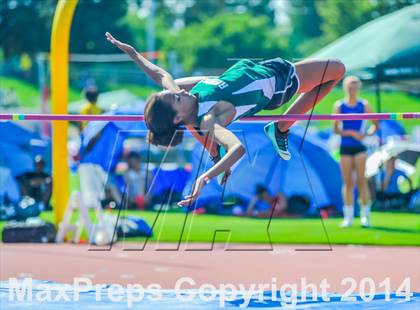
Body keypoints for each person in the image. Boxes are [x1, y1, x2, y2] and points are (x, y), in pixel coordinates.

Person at [105, 32, 345, 206]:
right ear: (177, 116)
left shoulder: (185, 97)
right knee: (336, 69)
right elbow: (237, 148)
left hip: (262, 68)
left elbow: (160, 74)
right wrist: (206, 175)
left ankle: (231, 147)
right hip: (277, 85)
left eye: (177, 93)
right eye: (177, 99)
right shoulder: (209, 118)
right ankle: (281, 127)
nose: (181, 92)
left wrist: (133, 53)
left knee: (181, 89)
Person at [333, 76, 378, 228]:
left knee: (361, 181)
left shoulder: (364, 105)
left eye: (355, 86)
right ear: (346, 88)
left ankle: (366, 216)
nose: (352, 89)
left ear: (358, 88)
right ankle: (349, 217)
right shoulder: (339, 105)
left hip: (360, 147)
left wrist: (365, 135)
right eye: (349, 87)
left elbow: (376, 125)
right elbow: (336, 129)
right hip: (345, 147)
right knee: (347, 183)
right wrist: (352, 133)